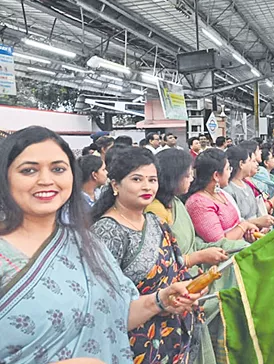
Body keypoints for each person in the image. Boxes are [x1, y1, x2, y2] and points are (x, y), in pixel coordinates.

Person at [0, 126, 201, 364]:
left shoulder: (87, 243)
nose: (46, 180)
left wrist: (159, 300)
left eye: (58, 169)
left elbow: (117, 315)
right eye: (29, 170)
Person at [91, 147, 206, 364]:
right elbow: (103, 305)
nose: (147, 187)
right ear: (115, 185)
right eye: (137, 179)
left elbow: (178, 270)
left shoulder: (156, 222)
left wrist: (191, 289)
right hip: (136, 345)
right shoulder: (107, 232)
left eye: (152, 180)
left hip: (173, 336)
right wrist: (159, 302)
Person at [146, 149, 240, 364]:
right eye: (187, 175)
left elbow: (191, 243)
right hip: (173, 290)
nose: (191, 179)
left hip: (191, 281)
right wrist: (197, 257)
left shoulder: (177, 204)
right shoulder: (154, 212)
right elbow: (163, 259)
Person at [185, 149, 258, 243]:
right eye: (227, 169)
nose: (230, 172)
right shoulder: (198, 203)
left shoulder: (221, 193)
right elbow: (220, 242)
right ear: (216, 175)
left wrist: (248, 231)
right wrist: (244, 226)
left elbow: (238, 223)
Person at [224, 146, 274, 229]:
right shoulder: (228, 190)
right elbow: (235, 222)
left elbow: (257, 212)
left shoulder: (247, 185)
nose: (255, 164)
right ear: (241, 164)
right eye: (250, 161)